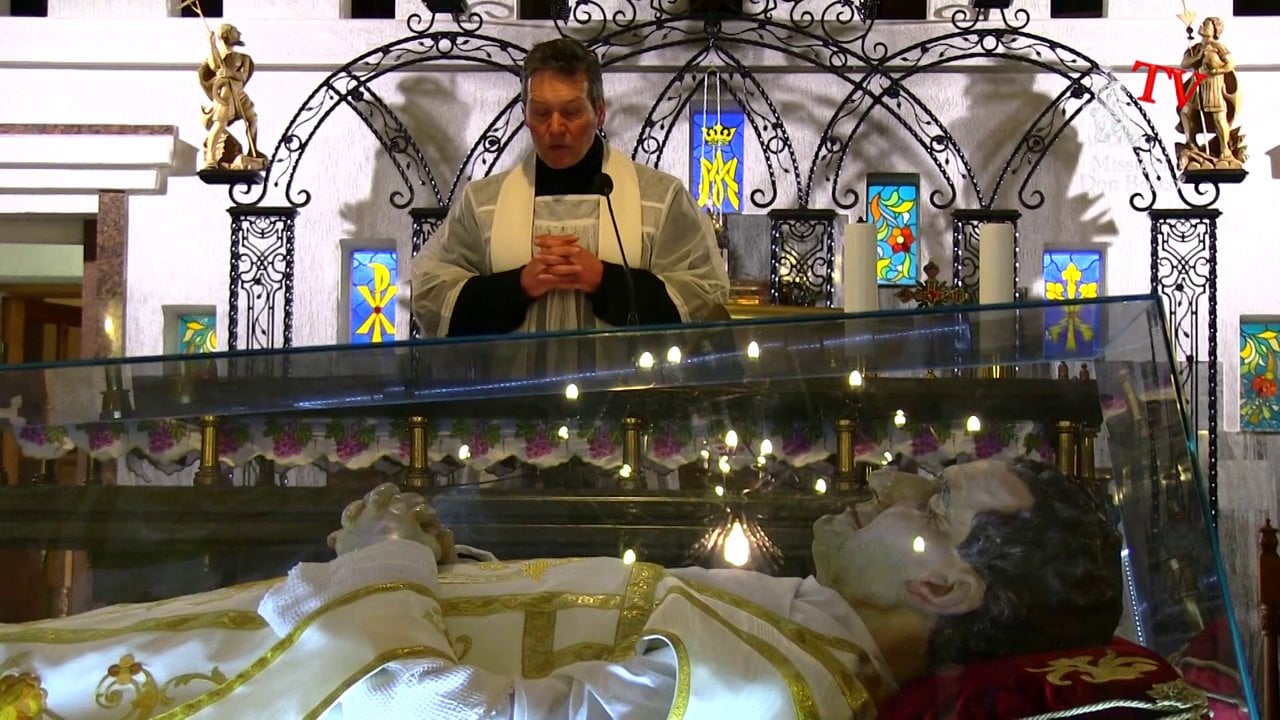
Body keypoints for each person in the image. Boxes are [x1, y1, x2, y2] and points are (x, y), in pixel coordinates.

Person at [0, 458, 1122, 719]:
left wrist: (385, 555)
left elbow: (419, 711)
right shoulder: (793, 639)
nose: (893, 477)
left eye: (933, 499)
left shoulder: (765, 693)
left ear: (942, 587)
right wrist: (449, 573)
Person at [410, 37, 730, 337]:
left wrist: (605, 281)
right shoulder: (482, 204)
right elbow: (431, 295)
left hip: (624, 380)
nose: (555, 127)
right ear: (525, 115)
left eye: (572, 112)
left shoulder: (660, 199)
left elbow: (703, 299)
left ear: (599, 113)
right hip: (518, 380)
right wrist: (518, 286)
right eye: (541, 113)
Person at [1176, 16, 1243, 167]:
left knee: (1218, 117)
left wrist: (1217, 70)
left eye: (1206, 24)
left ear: (1215, 30)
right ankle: (1191, 142)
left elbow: (1231, 63)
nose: (1201, 25)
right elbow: (1184, 64)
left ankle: (1225, 149)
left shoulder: (1218, 47)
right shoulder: (1195, 48)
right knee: (1185, 111)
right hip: (1197, 84)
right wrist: (1198, 56)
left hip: (1213, 84)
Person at [199, 23, 265, 171]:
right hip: (225, 94)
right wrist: (212, 44)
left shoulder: (244, 58)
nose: (239, 33)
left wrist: (230, 73)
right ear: (225, 35)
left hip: (239, 94)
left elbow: (243, 76)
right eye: (235, 32)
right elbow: (214, 66)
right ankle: (210, 157)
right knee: (219, 124)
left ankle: (253, 150)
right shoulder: (218, 55)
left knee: (252, 119)